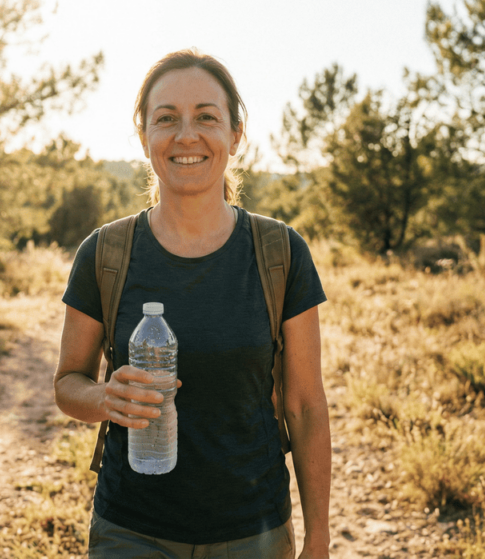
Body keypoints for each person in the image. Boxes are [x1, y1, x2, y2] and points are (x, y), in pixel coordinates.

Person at [53, 48, 331, 559]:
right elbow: (68, 383)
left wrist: (318, 536)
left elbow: (306, 406)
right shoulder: (105, 253)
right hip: (130, 532)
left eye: (206, 117)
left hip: (256, 532)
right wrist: (103, 399)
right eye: (166, 119)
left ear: (235, 135)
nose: (186, 135)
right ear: (144, 138)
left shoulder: (280, 253)